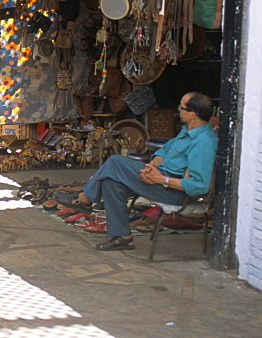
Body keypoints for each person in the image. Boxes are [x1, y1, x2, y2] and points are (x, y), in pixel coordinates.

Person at [55, 92, 217, 251]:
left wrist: (161, 179)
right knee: (111, 183)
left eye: (181, 108)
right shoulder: (187, 131)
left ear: (192, 114)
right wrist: (152, 166)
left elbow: (199, 186)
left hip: (175, 191)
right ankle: (123, 238)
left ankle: (84, 199)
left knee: (115, 162)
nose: (178, 110)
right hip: (160, 177)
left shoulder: (204, 142)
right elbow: (164, 150)